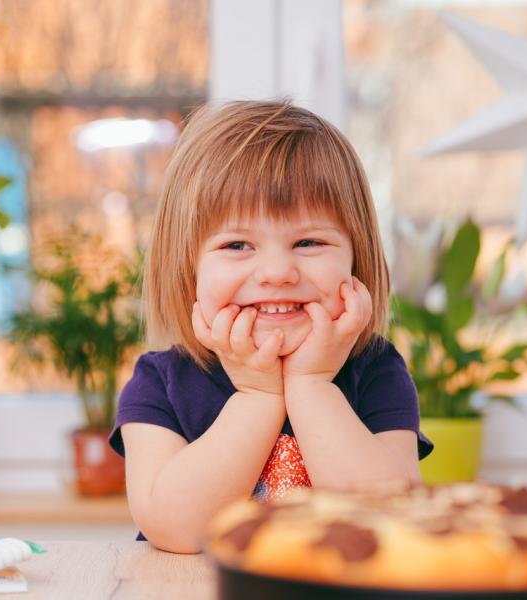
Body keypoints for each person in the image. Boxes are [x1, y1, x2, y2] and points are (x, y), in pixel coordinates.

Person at [108, 100, 433, 554]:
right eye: (237, 244)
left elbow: (389, 524)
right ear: (187, 269)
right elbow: (175, 529)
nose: (277, 271)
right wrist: (258, 395)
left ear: (356, 259)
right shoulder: (160, 383)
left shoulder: (376, 370)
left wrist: (312, 385)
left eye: (309, 241)